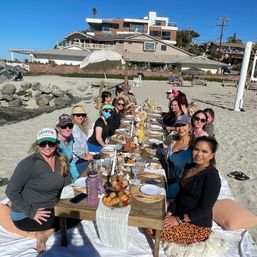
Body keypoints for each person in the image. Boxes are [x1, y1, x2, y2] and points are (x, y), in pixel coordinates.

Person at [6, 128, 71, 253]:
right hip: (27, 214)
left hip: (50, 207)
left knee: (76, 212)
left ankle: (44, 232)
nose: (47, 147)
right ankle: (43, 235)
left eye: (51, 143)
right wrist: (31, 212)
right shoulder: (28, 163)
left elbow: (67, 187)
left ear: (57, 144)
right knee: (71, 218)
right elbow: (11, 191)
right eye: (43, 143)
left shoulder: (62, 161)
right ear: (37, 145)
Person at [151, 136, 221, 245]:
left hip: (197, 225)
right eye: (196, 149)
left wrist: (178, 219)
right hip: (179, 212)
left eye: (204, 151)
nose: (199, 154)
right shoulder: (189, 167)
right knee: (149, 215)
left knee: (156, 230)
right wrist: (171, 211)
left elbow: (205, 210)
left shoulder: (212, 177)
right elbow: (181, 194)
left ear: (211, 155)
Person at [56, 114, 79, 182]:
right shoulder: (56, 144)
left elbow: (70, 160)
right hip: (59, 176)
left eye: (70, 126)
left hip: (67, 172)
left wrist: (76, 177)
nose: (68, 129)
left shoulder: (70, 139)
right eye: (64, 126)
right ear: (58, 128)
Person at [71, 105, 93, 174]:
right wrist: (85, 156)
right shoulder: (73, 128)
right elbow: (75, 147)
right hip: (77, 161)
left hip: (81, 157)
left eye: (82, 115)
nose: (81, 117)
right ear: (73, 116)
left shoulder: (78, 127)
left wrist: (87, 154)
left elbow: (82, 145)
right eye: (78, 115)